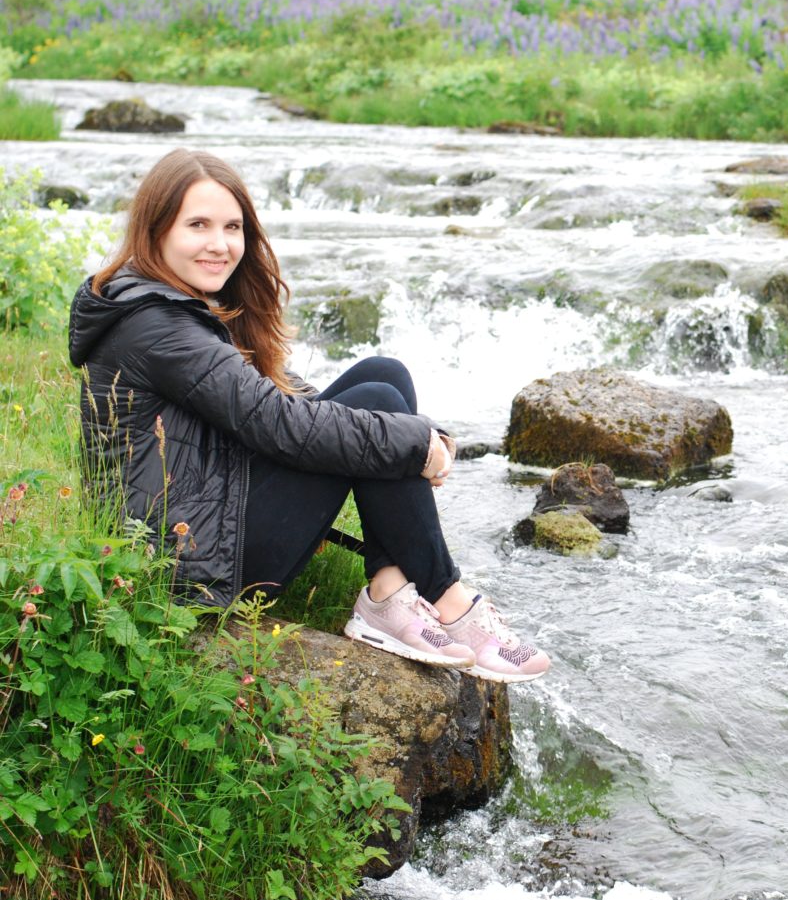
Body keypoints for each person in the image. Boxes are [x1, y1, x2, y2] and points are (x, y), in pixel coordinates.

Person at [68, 148, 549, 683]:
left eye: (232, 227)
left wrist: (403, 440)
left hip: (211, 520)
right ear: (155, 230)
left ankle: (388, 590)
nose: (220, 244)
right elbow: (278, 422)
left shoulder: (171, 304)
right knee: (381, 411)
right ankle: (450, 598)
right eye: (197, 225)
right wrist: (415, 445)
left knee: (383, 377)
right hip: (189, 565)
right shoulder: (154, 326)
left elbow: (290, 399)